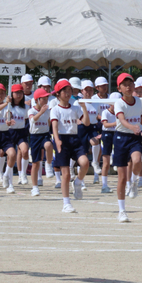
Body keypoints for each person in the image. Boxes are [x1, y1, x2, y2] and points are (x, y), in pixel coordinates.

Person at [112, 73, 142, 222]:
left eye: (130, 83)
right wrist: (133, 127)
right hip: (120, 137)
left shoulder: (138, 101)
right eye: (125, 84)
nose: (128, 86)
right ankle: (122, 211)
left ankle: (135, 181)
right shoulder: (119, 103)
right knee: (122, 178)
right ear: (119, 88)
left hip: (134, 137)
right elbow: (122, 120)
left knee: (137, 161)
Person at [50, 79, 91, 213]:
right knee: (66, 174)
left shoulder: (75, 107)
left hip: (74, 138)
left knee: (85, 163)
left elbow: (86, 123)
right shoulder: (55, 109)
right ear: (58, 94)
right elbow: (54, 126)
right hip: (62, 139)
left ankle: (78, 182)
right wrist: (57, 140)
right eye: (65, 91)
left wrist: (84, 108)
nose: (68, 93)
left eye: (69, 90)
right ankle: (66, 203)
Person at [27, 88, 52, 197]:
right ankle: (35, 187)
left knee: (49, 145)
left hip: (45, 134)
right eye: (43, 98)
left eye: (47, 97)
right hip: (34, 136)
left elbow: (49, 121)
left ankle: (48, 164)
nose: (46, 100)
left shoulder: (48, 110)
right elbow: (33, 120)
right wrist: (41, 112)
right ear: (37, 100)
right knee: (35, 163)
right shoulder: (31, 111)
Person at [8, 84, 30, 186]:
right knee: (11, 156)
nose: (19, 94)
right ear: (12, 93)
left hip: (21, 131)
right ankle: (7, 176)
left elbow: (26, 119)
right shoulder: (8, 106)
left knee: (25, 151)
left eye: (20, 92)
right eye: (16, 92)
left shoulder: (26, 107)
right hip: (10, 132)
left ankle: (23, 174)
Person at [99, 92, 120, 194]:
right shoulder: (105, 112)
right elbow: (105, 124)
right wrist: (116, 123)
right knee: (106, 162)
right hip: (107, 134)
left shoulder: (120, 113)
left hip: (117, 133)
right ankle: (104, 185)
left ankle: (125, 183)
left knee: (121, 159)